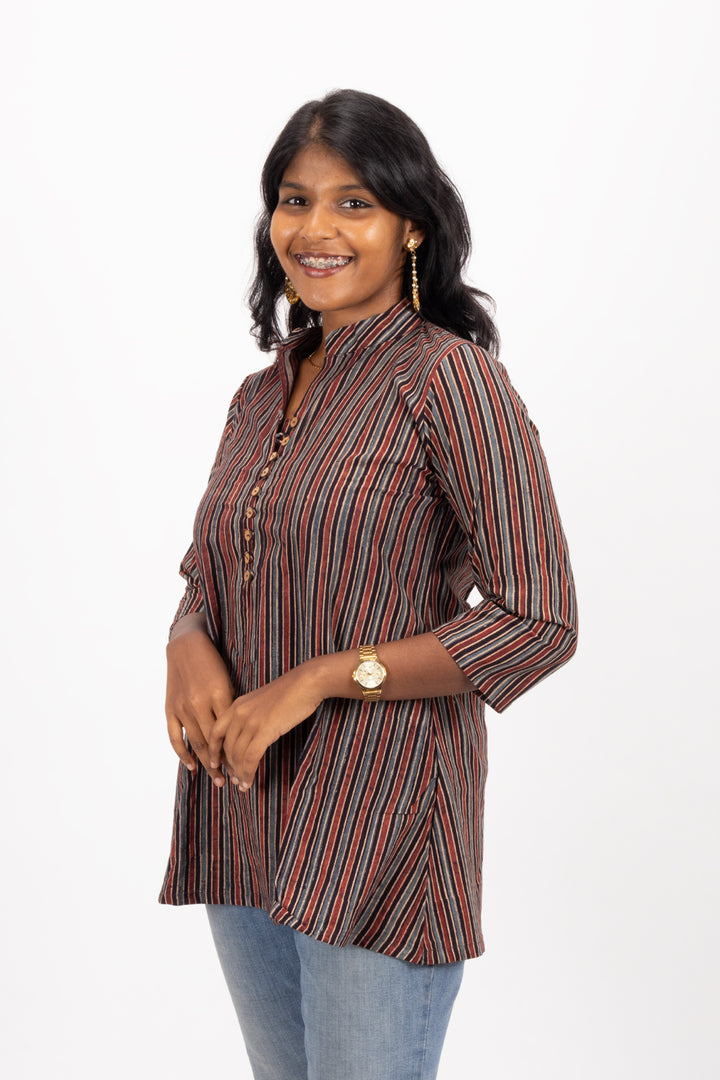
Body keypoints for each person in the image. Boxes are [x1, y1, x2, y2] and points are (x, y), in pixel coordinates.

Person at [160, 89, 577, 1080]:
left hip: (377, 825)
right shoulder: (259, 393)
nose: (317, 229)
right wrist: (185, 639)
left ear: (411, 227)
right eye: (294, 200)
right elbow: (216, 563)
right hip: (243, 810)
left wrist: (322, 679)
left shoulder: (450, 380)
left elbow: (538, 619)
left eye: (355, 203)